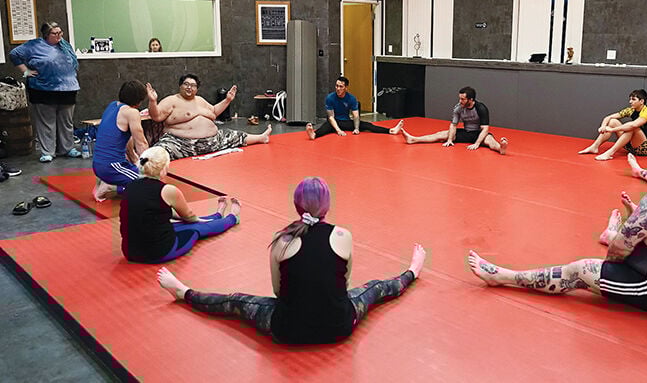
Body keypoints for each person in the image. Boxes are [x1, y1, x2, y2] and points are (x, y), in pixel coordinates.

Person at [156, 176, 427, 344]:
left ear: (297, 206)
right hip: (339, 325)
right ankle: (413, 270)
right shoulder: (343, 235)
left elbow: (278, 292)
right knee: (375, 288)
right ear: (327, 206)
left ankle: (184, 292)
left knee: (235, 301)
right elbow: (344, 285)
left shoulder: (281, 240)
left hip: (287, 329)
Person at [468, 145, 647, 316]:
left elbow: (619, 250)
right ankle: (610, 233)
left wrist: (607, 270)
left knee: (579, 270)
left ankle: (504, 277)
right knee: (638, 237)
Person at [120, 146, 240, 263]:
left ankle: (217, 215)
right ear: (164, 169)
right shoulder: (167, 190)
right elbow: (189, 216)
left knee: (180, 225)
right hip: (159, 253)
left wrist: (192, 219)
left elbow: (158, 210)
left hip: (130, 252)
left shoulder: (130, 185)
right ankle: (233, 217)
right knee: (197, 228)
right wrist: (197, 220)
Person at [147, 74, 271, 160]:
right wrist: (152, 101)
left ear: (197, 89)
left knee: (234, 135)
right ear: (180, 86)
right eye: (186, 84)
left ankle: (261, 137)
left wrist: (227, 100)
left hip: (213, 141)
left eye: (193, 85)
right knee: (157, 153)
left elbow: (214, 112)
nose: (189, 87)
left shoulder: (200, 100)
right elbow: (156, 116)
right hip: (181, 143)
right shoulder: (171, 100)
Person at [9, 22, 81, 163]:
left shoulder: (65, 45)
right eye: (55, 33)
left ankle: (67, 148)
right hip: (43, 89)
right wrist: (26, 71)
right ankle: (48, 152)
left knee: (66, 122)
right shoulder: (34, 45)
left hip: (67, 89)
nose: (59, 35)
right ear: (47, 34)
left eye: (60, 32)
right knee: (47, 123)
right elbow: (14, 54)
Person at [400, 86, 508, 155]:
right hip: (466, 132)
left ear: (471, 99)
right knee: (441, 134)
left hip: (478, 134)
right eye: (459, 98)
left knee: (490, 141)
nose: (460, 101)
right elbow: (453, 125)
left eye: (463, 99)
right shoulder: (458, 108)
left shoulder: (481, 108)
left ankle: (501, 148)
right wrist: (450, 140)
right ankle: (414, 139)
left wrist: (477, 144)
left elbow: (485, 129)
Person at [92, 80, 151, 202]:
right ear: (139, 101)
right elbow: (141, 143)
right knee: (149, 184)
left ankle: (105, 180)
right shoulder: (132, 113)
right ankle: (110, 187)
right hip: (111, 167)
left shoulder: (113, 105)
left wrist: (134, 158)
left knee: (139, 171)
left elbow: (127, 138)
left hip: (98, 165)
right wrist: (150, 167)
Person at [305, 76, 403, 140]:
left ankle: (390, 131)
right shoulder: (330, 97)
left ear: (346, 88)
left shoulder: (352, 98)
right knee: (325, 127)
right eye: (337, 86)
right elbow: (331, 117)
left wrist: (356, 128)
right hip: (334, 122)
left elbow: (356, 116)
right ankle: (314, 135)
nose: (338, 89)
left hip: (346, 122)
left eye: (341, 87)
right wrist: (338, 130)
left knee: (367, 125)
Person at [578, 89, 647, 161]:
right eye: (630, 99)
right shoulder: (631, 110)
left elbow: (634, 125)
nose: (630, 102)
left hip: (645, 148)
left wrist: (612, 130)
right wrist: (603, 126)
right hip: (631, 146)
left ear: (641, 101)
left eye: (633, 99)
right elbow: (609, 117)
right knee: (612, 121)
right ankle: (594, 147)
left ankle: (610, 153)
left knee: (632, 128)